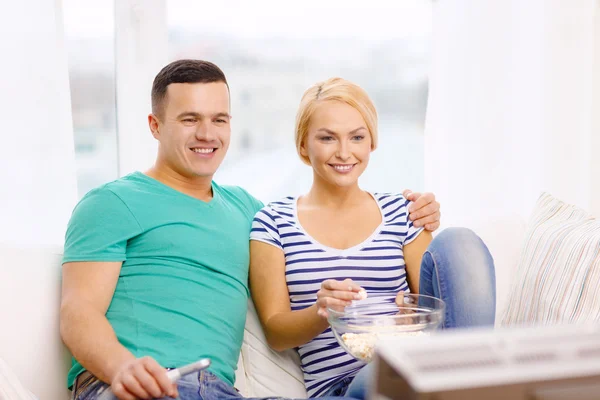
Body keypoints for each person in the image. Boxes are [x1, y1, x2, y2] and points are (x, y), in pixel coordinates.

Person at [60, 60, 442, 400]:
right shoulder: (111, 202)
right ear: (155, 126)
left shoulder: (249, 212)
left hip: (216, 389)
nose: (207, 134)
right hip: (130, 384)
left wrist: (420, 210)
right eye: (190, 119)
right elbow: (78, 313)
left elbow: (314, 230)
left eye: (219, 119)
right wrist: (122, 368)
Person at [249, 77, 496, 398]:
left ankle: (473, 386)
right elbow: (275, 331)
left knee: (460, 241)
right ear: (302, 146)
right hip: (342, 389)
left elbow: (437, 310)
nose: (343, 152)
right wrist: (323, 311)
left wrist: (411, 321)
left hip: (417, 370)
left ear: (371, 143)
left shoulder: (403, 213)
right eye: (327, 138)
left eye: (356, 137)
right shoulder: (273, 221)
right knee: (388, 370)